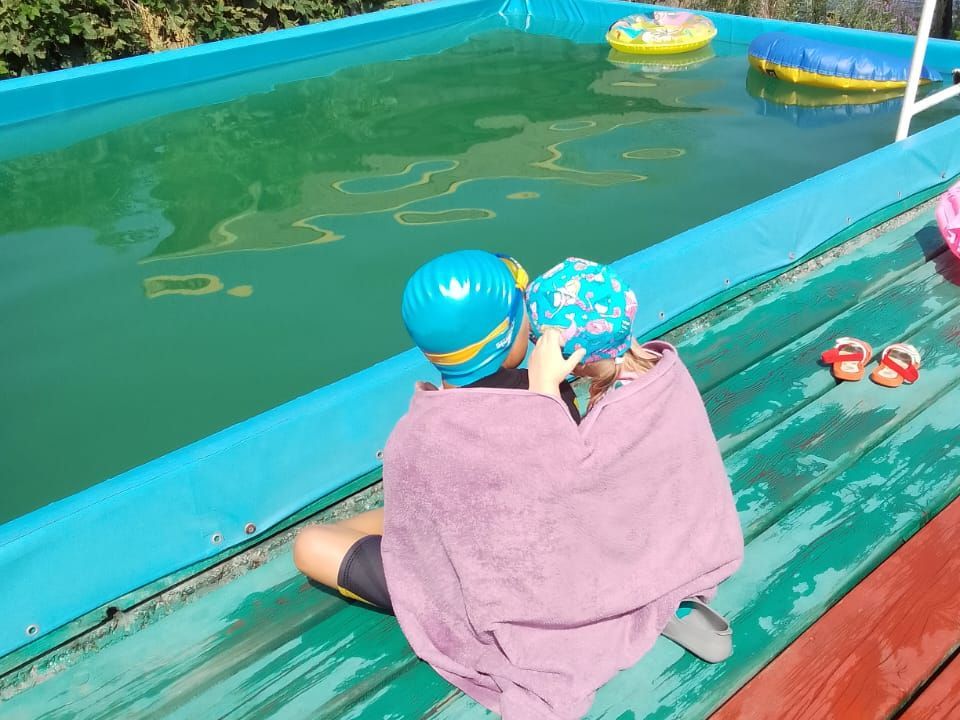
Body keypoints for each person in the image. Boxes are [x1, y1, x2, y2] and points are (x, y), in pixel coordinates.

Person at [380, 257, 743, 718]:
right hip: (577, 548)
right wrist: (545, 394)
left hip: (515, 572)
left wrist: (544, 397)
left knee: (317, 546)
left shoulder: (413, 438)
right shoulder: (607, 392)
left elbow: (555, 504)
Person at [292, 250, 580, 612]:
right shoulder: (551, 397)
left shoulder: (413, 436)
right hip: (539, 573)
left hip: (465, 592)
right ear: (507, 334)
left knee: (311, 544)